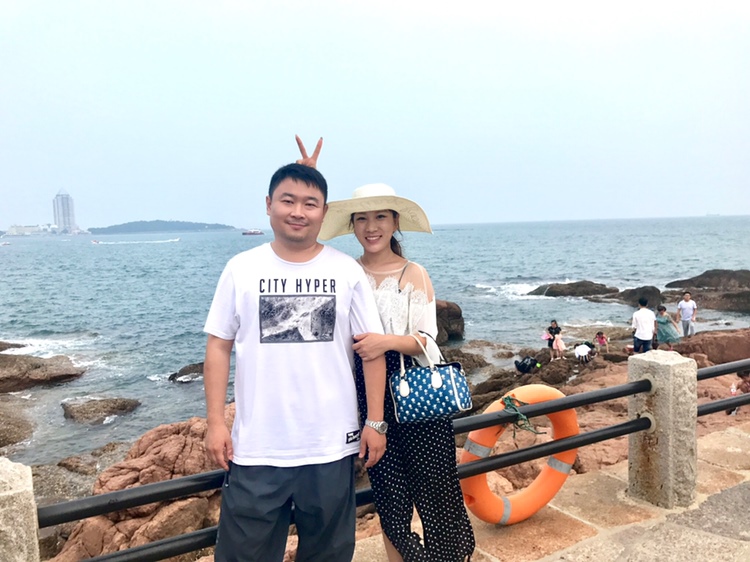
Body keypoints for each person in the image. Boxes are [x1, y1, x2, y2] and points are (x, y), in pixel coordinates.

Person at [202, 161, 388, 562]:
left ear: (324, 212)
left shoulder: (346, 271)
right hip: (256, 449)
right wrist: (215, 422)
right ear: (269, 204)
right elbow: (218, 346)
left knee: (328, 554)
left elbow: (371, 351)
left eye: (310, 203)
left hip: (331, 447)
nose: (298, 212)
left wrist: (375, 422)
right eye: (288, 201)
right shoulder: (241, 269)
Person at [317, 179, 476, 562]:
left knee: (437, 495)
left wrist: (383, 342)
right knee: (390, 500)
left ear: (395, 223)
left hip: (414, 394)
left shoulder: (412, 273)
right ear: (352, 225)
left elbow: (427, 340)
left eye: (380, 217)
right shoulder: (344, 272)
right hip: (363, 394)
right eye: (362, 218)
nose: (371, 227)